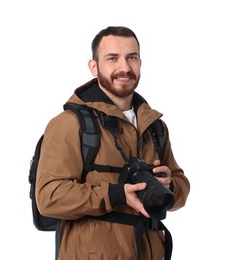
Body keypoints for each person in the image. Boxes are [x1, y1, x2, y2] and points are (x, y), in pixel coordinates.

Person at [36, 26, 190, 260]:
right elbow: (49, 197)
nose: (125, 68)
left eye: (132, 58)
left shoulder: (154, 126)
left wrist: (169, 185)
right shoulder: (70, 124)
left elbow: (181, 187)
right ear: (94, 67)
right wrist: (116, 194)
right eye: (112, 58)